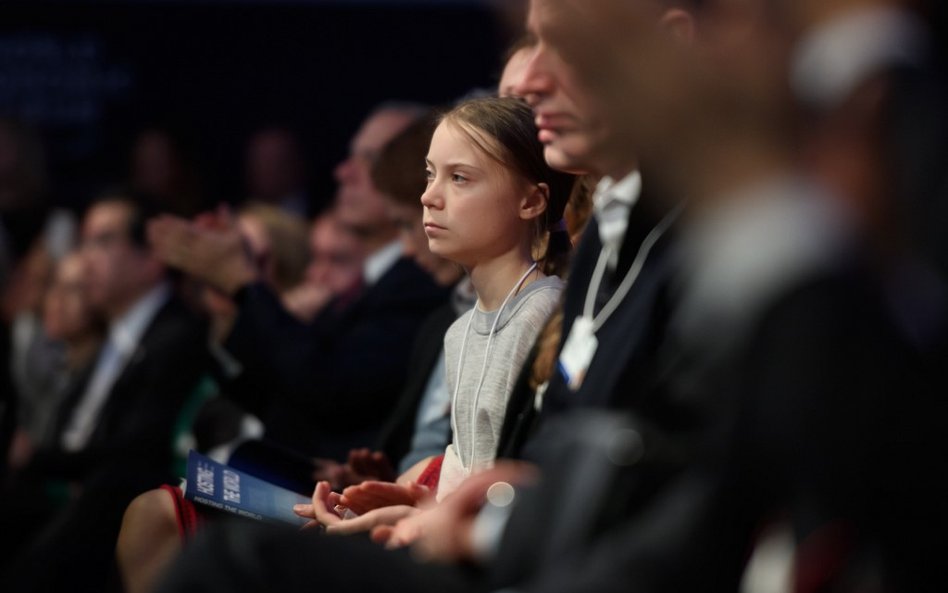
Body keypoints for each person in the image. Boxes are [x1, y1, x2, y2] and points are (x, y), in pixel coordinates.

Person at [295, 96, 575, 543]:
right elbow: (462, 478)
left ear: (531, 201)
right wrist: (399, 507)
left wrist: (410, 520)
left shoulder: (540, 316)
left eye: (459, 178)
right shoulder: (459, 330)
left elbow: (510, 486)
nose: (428, 196)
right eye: (431, 174)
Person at [0, 193, 208, 593]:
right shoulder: (110, 330)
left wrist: (37, 459)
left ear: (151, 259)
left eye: (103, 241)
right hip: (67, 492)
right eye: (84, 241)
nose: (86, 256)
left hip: (110, 501)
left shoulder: (177, 336)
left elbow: (137, 450)